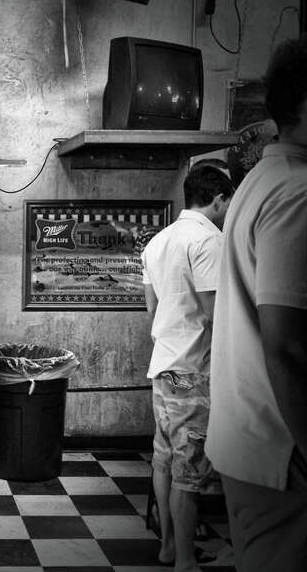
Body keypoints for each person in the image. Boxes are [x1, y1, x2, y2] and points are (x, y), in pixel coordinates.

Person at [206, 37, 307, 572]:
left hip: (247, 437)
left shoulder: (260, 181)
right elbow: (287, 345)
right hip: (284, 447)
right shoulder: (297, 191)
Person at [141, 161, 234, 572]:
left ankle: (167, 547)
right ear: (218, 199)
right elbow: (217, 313)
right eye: (228, 203)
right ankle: (184, 562)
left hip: (164, 365)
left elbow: (152, 309)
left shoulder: (157, 241)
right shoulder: (207, 240)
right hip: (195, 369)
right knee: (189, 472)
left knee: (164, 460)